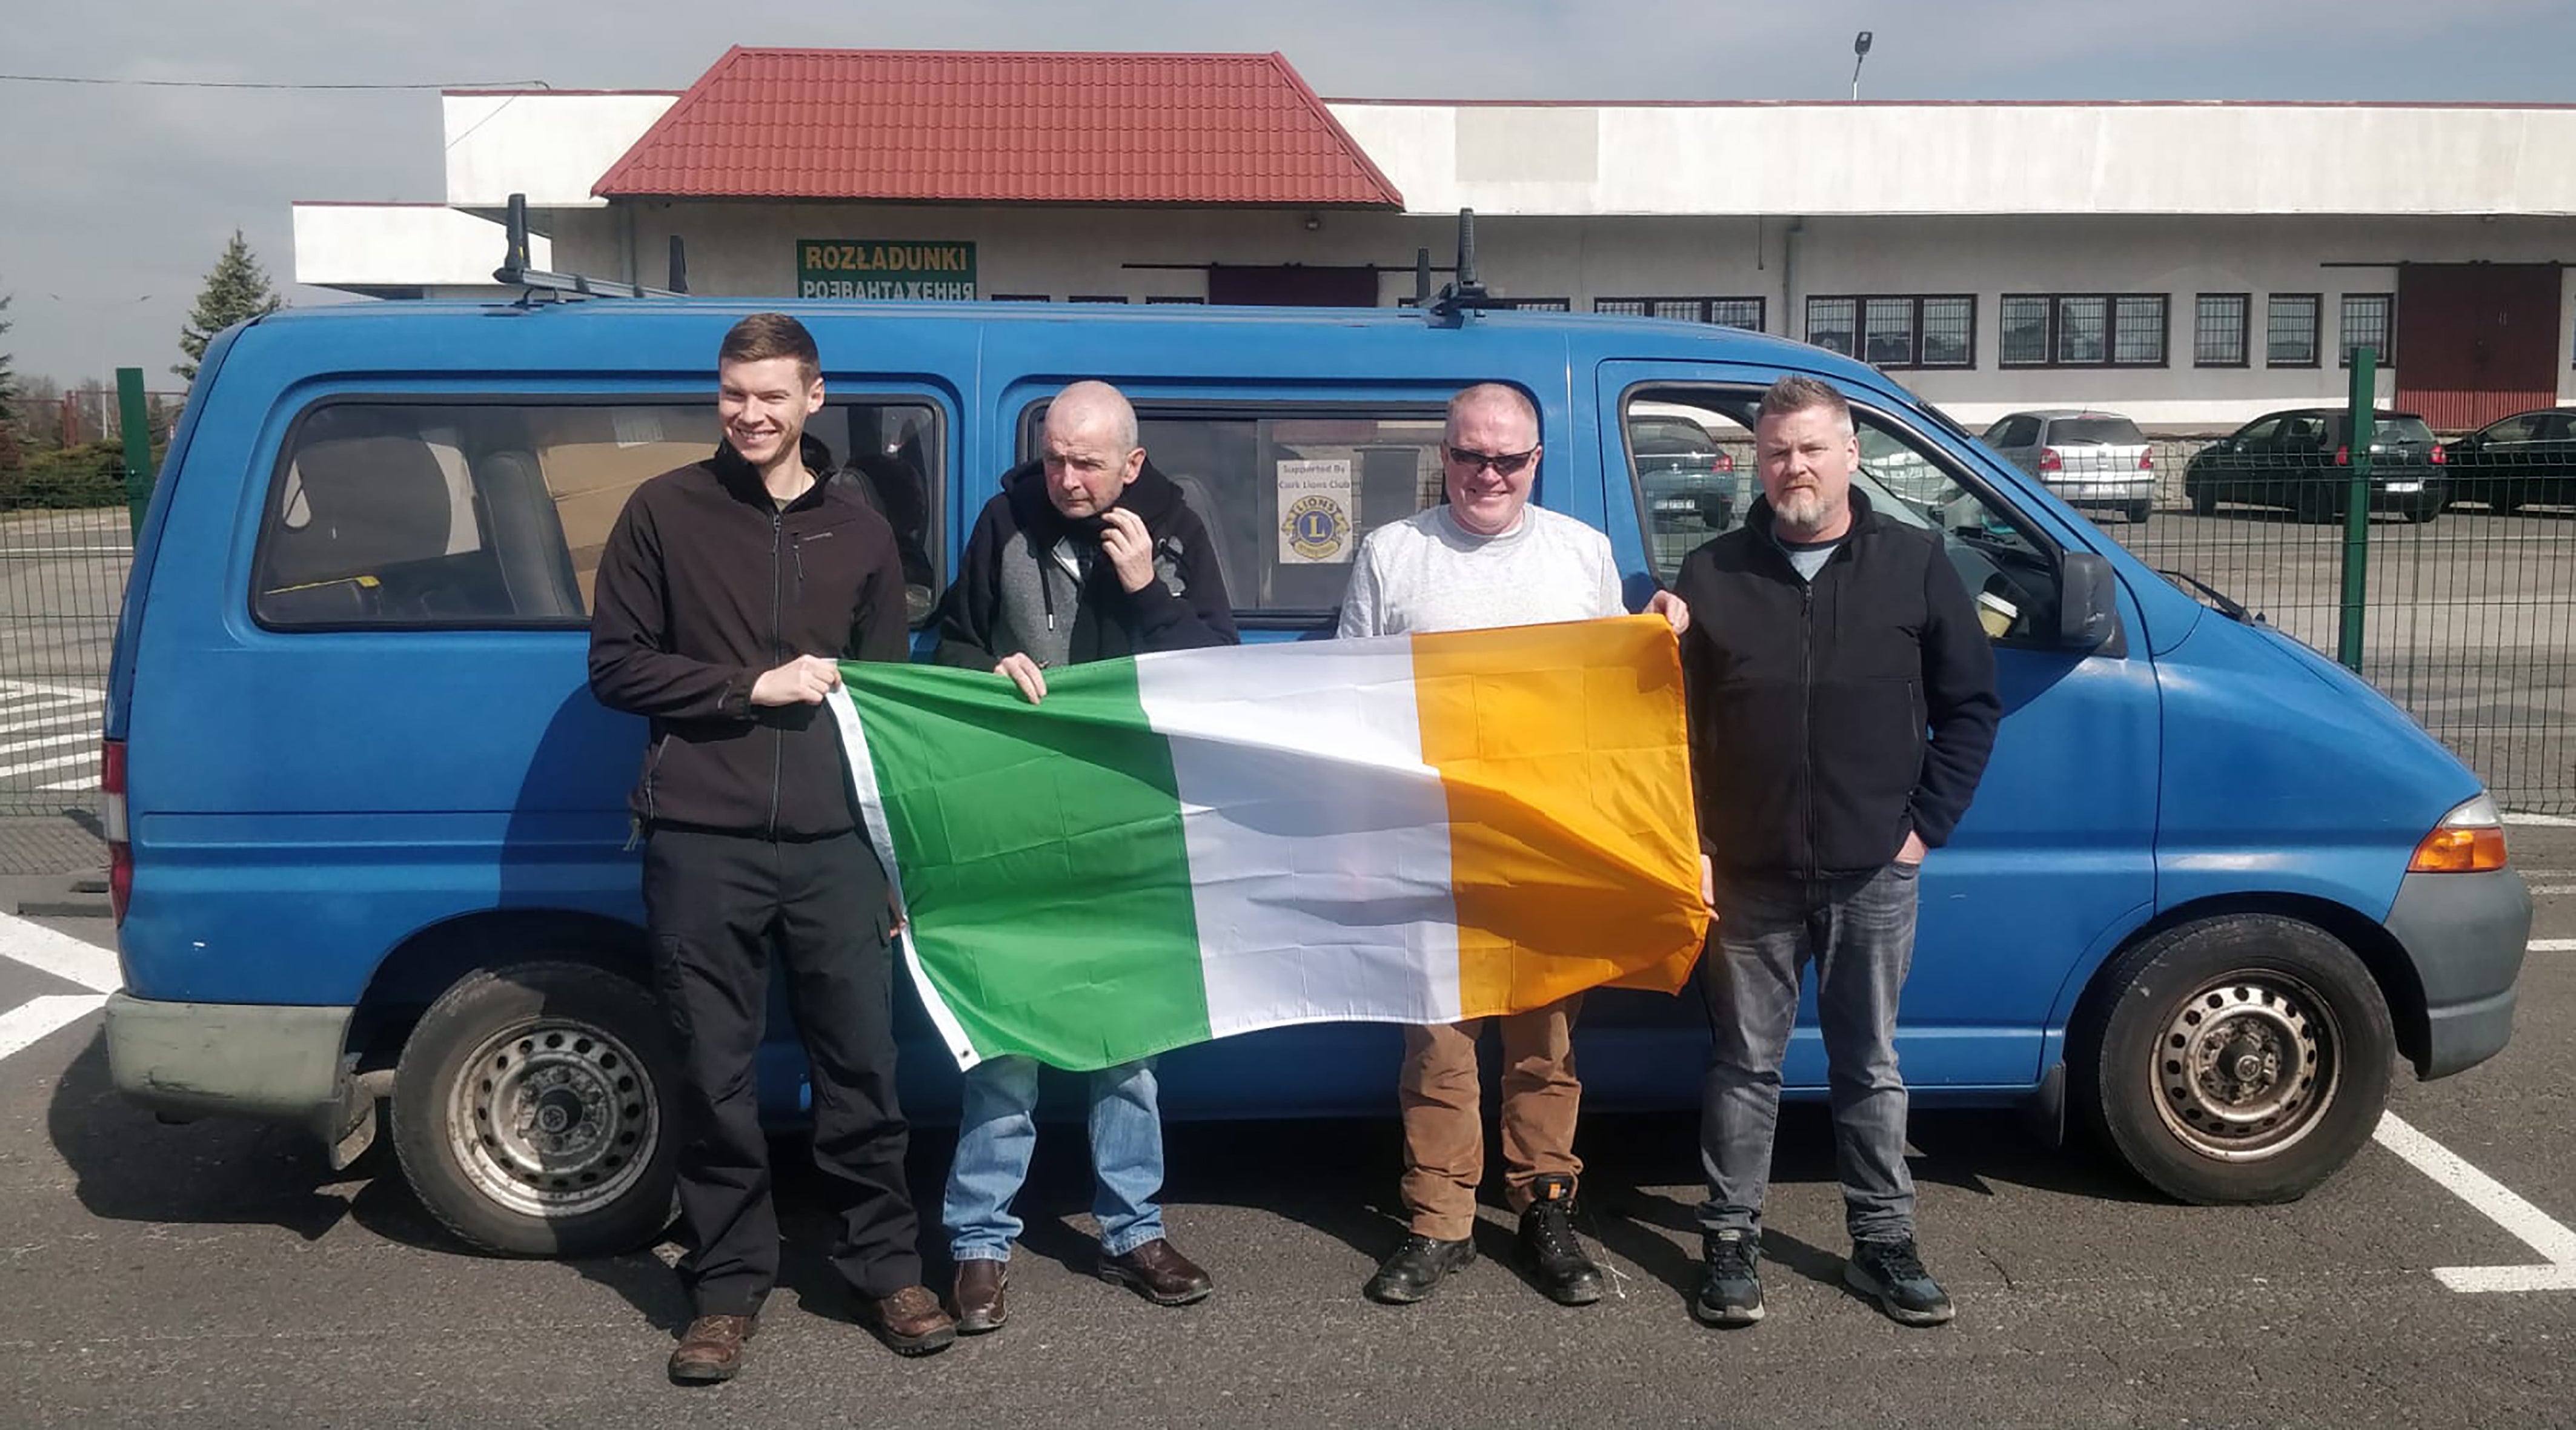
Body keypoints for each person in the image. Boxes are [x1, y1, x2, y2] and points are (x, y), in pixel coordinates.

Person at [588, 313, 955, 1380]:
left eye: (771, 396)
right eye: (733, 395)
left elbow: (884, 702)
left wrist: (894, 862)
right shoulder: (664, 512)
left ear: (814, 398)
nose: (750, 414)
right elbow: (615, 666)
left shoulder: (863, 527)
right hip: (703, 837)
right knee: (715, 1071)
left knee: (863, 1067)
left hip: (838, 844)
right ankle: (725, 1285)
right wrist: (748, 686)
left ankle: (885, 1264)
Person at [1338, 381, 1687, 1307]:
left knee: (1545, 1045)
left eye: (1508, 458)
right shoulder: (1391, 552)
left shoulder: (1583, 553)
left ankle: (1546, 1208)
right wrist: (1364, 841)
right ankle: (1438, 1221)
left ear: (1538, 461)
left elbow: (1609, 703)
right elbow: (1346, 700)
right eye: (1468, 455)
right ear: (1441, 455)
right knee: (1438, 1050)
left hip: (1547, 844)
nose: (1486, 473)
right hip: (1429, 844)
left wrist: (1658, 637)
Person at [1668, 374, 2000, 1329]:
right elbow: (1670, 730)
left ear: (1852, 455)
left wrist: (1921, 829)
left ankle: (1883, 1242)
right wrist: (1693, 841)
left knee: (1870, 1066)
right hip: (1747, 872)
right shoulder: (1712, 574)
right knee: (1744, 1065)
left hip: (1873, 870)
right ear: (1757, 463)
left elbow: (1971, 707)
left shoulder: (1917, 562)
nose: (1794, 467)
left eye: (1812, 447)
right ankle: (1730, 1241)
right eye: (1777, 451)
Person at [929, 380, 1238, 1332]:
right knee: (1006, 1043)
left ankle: (1132, 1228)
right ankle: (979, 1241)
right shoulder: (1004, 519)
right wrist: (985, 669)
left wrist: (1146, 590)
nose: (1064, 477)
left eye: (1087, 462)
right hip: (1015, 819)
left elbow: (1215, 663)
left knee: (1125, 1043)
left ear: (1131, 464)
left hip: (1125, 823)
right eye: (1055, 457)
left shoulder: (1175, 526)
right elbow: (944, 642)